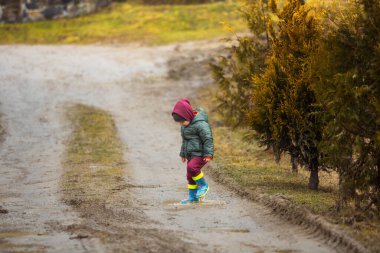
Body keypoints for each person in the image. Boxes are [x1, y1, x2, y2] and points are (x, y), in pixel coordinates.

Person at [172, 98, 214, 204]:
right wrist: (183, 153)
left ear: (188, 116)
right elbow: (185, 141)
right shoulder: (184, 126)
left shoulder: (201, 124)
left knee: (192, 167)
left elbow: (208, 139)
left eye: (182, 121)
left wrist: (208, 154)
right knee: (189, 175)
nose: (181, 124)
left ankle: (203, 185)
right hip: (191, 154)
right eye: (179, 122)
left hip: (201, 153)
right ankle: (193, 196)